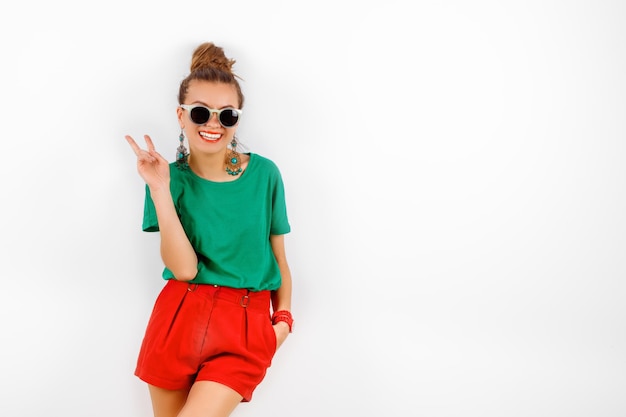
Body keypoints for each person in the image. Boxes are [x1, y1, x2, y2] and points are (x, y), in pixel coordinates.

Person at [125, 42, 294, 417]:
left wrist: (282, 321)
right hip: (177, 320)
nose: (213, 124)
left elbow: (278, 255)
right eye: (201, 112)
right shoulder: (167, 179)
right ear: (181, 116)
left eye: (227, 115)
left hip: (244, 326)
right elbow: (184, 269)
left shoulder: (265, 175)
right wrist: (159, 189)